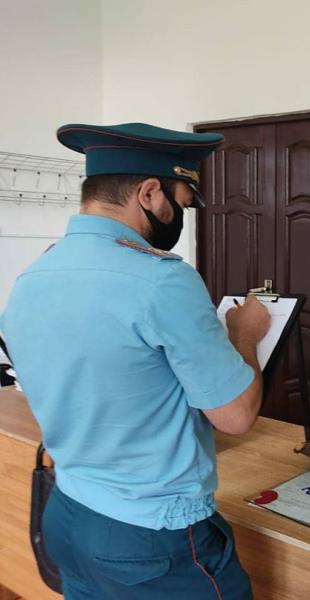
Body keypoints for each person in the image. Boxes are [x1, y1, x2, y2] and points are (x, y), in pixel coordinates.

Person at [0, 122, 270, 599]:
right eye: (181, 201)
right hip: (151, 539)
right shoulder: (162, 281)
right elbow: (236, 417)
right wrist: (243, 337)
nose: (181, 215)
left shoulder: (34, 275)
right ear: (149, 193)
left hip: (67, 511)